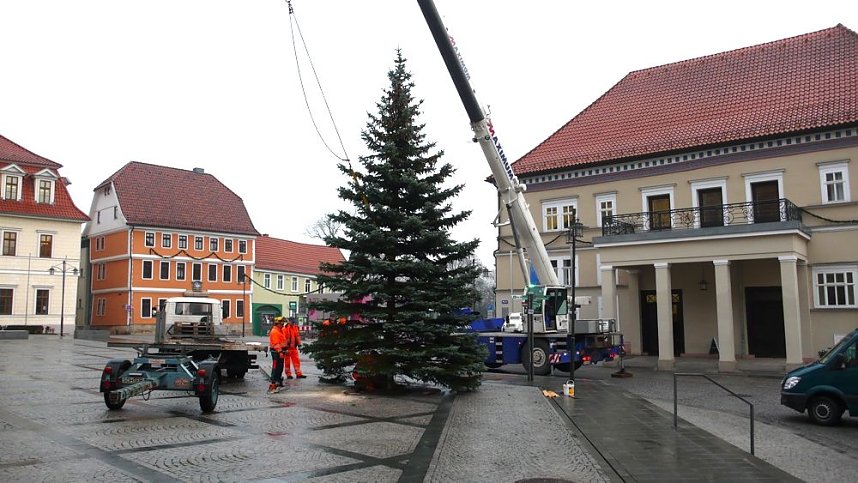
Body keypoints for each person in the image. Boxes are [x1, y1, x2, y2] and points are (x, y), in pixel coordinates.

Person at [267, 316, 287, 393]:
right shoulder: (275, 331)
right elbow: (276, 344)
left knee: (280, 366)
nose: (283, 325)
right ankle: (273, 382)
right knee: (276, 367)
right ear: (277, 324)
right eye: (281, 323)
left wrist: (285, 349)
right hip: (276, 352)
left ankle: (278, 380)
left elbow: (282, 342)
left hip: (280, 351)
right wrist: (280, 352)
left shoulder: (280, 330)